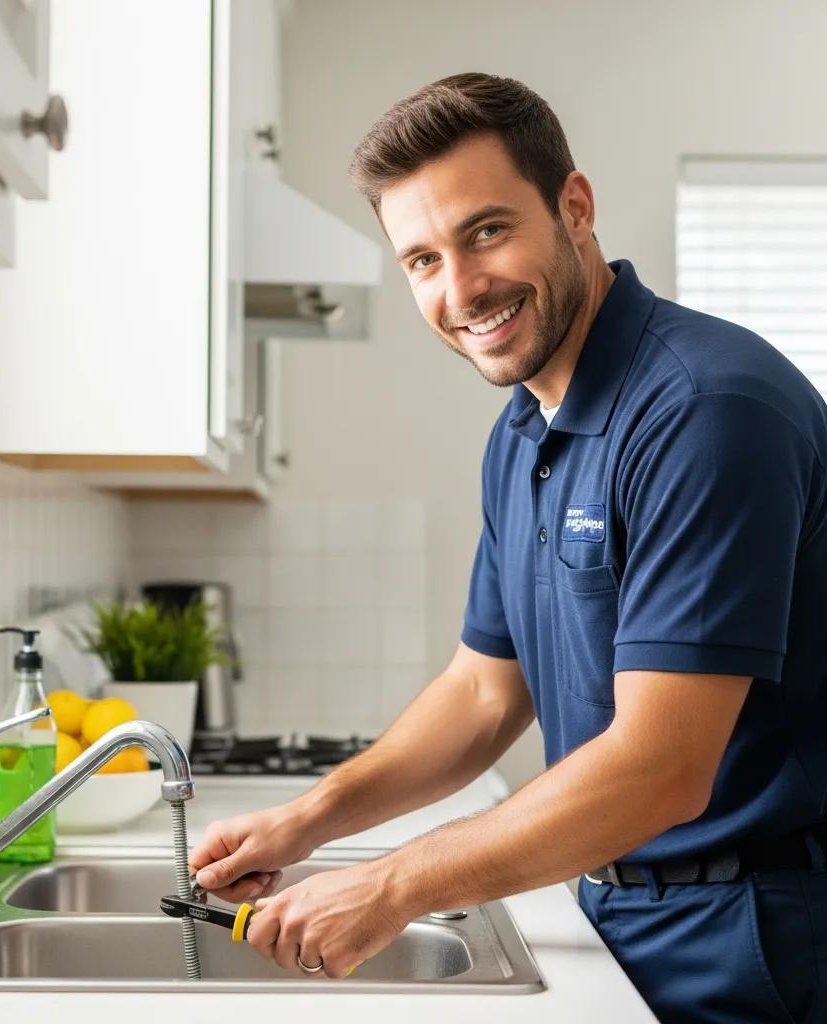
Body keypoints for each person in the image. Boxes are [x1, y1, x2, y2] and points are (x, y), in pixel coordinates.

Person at [189, 73, 827, 1023]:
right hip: (621, 910)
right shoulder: (526, 429)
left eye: (486, 232)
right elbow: (484, 691)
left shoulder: (704, 410)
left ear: (575, 207)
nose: (460, 289)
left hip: (747, 941)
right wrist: (305, 822)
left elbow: (661, 767)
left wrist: (395, 884)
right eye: (421, 260)